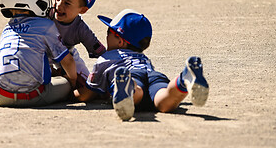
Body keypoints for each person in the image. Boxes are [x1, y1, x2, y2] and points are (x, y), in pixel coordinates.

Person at [74, 9, 209, 121]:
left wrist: (72, 93)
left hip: (133, 75)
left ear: (120, 42)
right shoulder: (142, 57)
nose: (106, 36)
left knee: (137, 91)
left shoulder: (106, 58)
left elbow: (86, 94)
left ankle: (129, 87)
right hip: (153, 75)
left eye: (109, 32)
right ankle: (184, 80)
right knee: (164, 101)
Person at [50, 0, 106, 85]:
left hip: (68, 56)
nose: (59, 5)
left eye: (67, 3)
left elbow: (100, 52)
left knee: (87, 84)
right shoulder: (46, 14)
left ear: (82, 10)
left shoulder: (80, 29)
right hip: (43, 54)